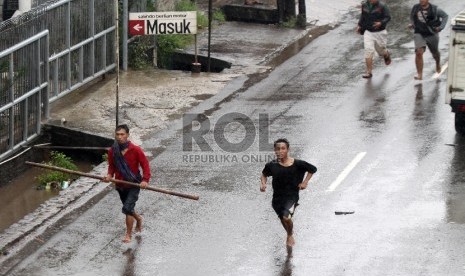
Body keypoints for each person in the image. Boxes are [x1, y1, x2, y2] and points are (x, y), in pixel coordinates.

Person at [260, 138, 317, 248]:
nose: (280, 151)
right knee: (282, 218)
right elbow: (264, 174)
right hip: (277, 199)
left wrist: (305, 182)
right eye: (277, 149)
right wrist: (263, 184)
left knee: (286, 218)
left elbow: (313, 169)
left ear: (288, 149)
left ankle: (290, 234)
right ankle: (288, 233)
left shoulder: (298, 164)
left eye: (283, 148)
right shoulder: (271, 165)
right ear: (274, 150)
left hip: (292, 197)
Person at [103, 124, 151, 243]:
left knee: (127, 208)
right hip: (120, 184)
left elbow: (145, 165)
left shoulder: (135, 150)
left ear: (127, 135)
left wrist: (145, 180)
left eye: (122, 134)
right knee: (128, 208)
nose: (119, 137)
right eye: (117, 134)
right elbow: (111, 167)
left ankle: (128, 235)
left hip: (134, 184)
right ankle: (138, 219)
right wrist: (109, 176)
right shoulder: (112, 151)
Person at [409, 0, 448, 80]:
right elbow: (412, 17)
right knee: (419, 52)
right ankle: (420, 74)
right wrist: (412, 24)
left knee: (435, 53)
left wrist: (440, 27)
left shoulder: (435, 9)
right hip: (419, 33)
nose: (421, 0)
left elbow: (445, 16)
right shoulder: (416, 7)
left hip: (431, 34)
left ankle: (437, 63)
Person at [356, 0, 392, 79]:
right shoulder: (364, 5)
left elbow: (388, 17)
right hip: (368, 32)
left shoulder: (382, 5)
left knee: (381, 51)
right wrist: (359, 25)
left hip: (380, 32)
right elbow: (363, 16)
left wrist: (381, 23)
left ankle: (386, 54)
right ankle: (369, 72)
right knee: (368, 50)